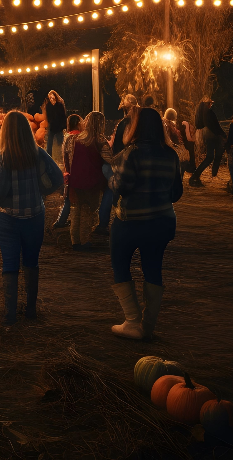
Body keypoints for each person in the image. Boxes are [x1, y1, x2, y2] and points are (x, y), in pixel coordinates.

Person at [107, 106, 182, 340]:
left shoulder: (131, 153)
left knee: (120, 264)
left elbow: (120, 187)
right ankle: (148, 325)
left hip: (132, 221)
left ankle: (132, 321)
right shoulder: (171, 155)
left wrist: (111, 179)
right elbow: (177, 192)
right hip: (162, 222)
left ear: (135, 126)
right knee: (153, 268)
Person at [0, 111, 64, 327]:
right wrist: (42, 190)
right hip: (34, 216)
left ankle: (9, 314)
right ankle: (30, 309)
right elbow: (58, 177)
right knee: (31, 262)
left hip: (8, 219)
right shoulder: (38, 154)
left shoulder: (1, 158)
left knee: (10, 264)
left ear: (6, 132)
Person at [67, 111, 112, 250]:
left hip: (75, 179)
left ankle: (74, 240)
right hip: (91, 180)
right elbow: (109, 159)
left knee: (76, 210)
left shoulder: (76, 139)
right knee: (87, 211)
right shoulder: (100, 141)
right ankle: (84, 240)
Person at [97, 93, 138, 236]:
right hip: (124, 163)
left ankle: (104, 224)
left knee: (111, 192)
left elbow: (115, 144)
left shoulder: (122, 123)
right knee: (122, 193)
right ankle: (123, 224)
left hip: (116, 161)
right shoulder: (133, 124)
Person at [53, 113, 83, 229]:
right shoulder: (78, 137)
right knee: (74, 199)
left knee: (67, 198)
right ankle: (65, 223)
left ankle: (61, 220)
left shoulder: (67, 136)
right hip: (76, 171)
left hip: (68, 170)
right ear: (77, 124)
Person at [189, 95, 225, 186]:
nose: (211, 105)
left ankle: (199, 175)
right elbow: (216, 126)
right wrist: (223, 134)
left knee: (210, 157)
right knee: (212, 156)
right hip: (213, 136)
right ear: (207, 104)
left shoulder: (200, 113)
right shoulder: (209, 113)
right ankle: (198, 175)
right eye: (210, 103)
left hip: (207, 136)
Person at [44, 90, 67, 159]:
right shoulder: (48, 106)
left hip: (59, 126)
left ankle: (62, 156)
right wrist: (49, 123)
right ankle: (49, 157)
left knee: (60, 142)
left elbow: (63, 116)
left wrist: (64, 126)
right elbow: (48, 116)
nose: (51, 99)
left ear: (55, 96)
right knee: (49, 143)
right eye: (50, 97)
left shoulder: (59, 105)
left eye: (52, 97)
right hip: (52, 126)